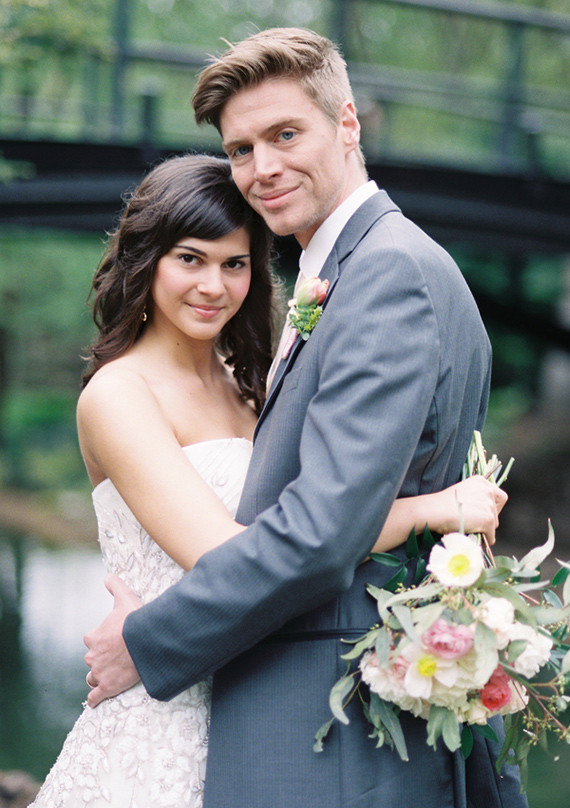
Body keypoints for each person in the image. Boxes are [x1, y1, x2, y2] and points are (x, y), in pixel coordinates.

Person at [84, 28, 528, 808]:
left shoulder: (385, 272)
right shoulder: (346, 273)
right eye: (242, 148)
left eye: (285, 134)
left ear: (347, 123)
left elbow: (320, 533)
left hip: (330, 727)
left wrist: (147, 640)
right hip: (293, 714)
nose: (263, 167)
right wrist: (429, 509)